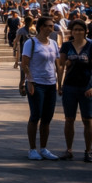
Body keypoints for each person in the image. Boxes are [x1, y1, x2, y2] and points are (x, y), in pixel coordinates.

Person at [57, 19, 92, 161]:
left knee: (87, 120)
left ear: (85, 31)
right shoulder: (66, 46)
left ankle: (88, 151)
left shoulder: (91, 46)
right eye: (75, 29)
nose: (77, 32)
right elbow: (61, 65)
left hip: (86, 87)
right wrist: (59, 84)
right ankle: (69, 149)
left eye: (80, 29)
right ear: (71, 31)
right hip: (70, 85)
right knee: (69, 119)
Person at [22, 16, 61, 161]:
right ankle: (32, 149)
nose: (50, 29)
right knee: (35, 115)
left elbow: (57, 64)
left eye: (52, 26)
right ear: (40, 27)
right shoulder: (31, 43)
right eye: (47, 26)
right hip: (36, 83)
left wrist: (60, 82)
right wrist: (29, 81)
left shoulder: (53, 43)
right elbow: (25, 63)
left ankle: (44, 148)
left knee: (47, 117)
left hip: (50, 83)